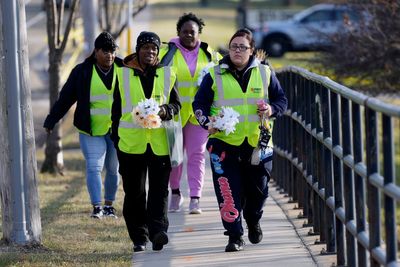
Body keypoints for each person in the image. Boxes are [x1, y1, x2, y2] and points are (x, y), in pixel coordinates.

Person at [192, 28, 287, 252]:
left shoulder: (264, 72)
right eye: (234, 46)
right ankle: (234, 236)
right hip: (224, 145)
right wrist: (207, 122)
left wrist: (271, 109)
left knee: (259, 192)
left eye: (242, 47)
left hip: (258, 144)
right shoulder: (214, 75)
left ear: (251, 50)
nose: (237, 50)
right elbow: (199, 104)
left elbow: (281, 100)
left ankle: (253, 220)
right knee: (228, 190)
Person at [111, 31, 181, 252]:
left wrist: (165, 110)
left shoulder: (168, 74)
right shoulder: (122, 74)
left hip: (160, 144)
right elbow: (115, 110)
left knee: (159, 191)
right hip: (131, 145)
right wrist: (116, 139)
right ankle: (139, 237)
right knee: (135, 193)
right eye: (146, 47)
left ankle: (158, 231)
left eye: (154, 48)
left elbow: (176, 106)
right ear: (138, 50)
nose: (150, 51)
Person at [43, 31, 122, 219]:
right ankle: (97, 206)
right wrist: (52, 119)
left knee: (113, 169)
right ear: (96, 52)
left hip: (118, 131)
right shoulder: (82, 71)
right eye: (105, 51)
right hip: (90, 129)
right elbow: (66, 98)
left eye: (112, 51)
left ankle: (109, 205)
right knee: (94, 167)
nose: (109, 55)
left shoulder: (124, 68)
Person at [159, 12, 222, 214]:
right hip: (175, 114)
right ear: (178, 33)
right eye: (184, 32)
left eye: (192, 32)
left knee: (197, 155)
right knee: (175, 157)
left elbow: (226, 69)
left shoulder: (209, 54)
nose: (188, 35)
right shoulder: (167, 53)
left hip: (198, 115)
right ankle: (176, 193)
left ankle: (196, 198)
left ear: (199, 33)